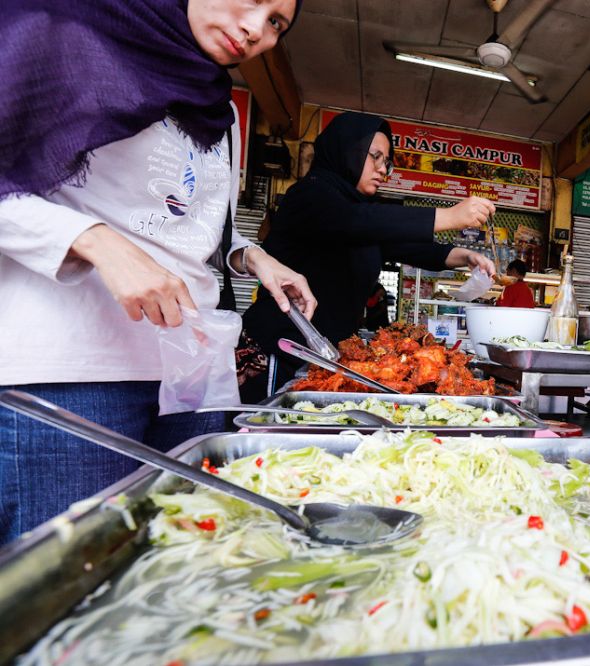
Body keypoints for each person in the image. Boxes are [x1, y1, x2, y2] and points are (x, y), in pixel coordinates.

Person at [0, 0, 317, 544]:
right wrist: (92, 240)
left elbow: (187, 223)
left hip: (192, 375)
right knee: (80, 581)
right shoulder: (64, 34)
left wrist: (249, 255)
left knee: (177, 556)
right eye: (253, 2)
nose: (255, 31)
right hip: (76, 373)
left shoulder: (220, 106)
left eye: (276, 24)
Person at [240, 111, 496, 398]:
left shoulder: (358, 210)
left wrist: (465, 256)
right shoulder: (310, 195)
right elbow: (357, 220)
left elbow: (404, 243)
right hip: (279, 348)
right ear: (347, 150)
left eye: (386, 161)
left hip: (323, 355)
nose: (383, 169)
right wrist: (449, 216)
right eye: (375, 156)